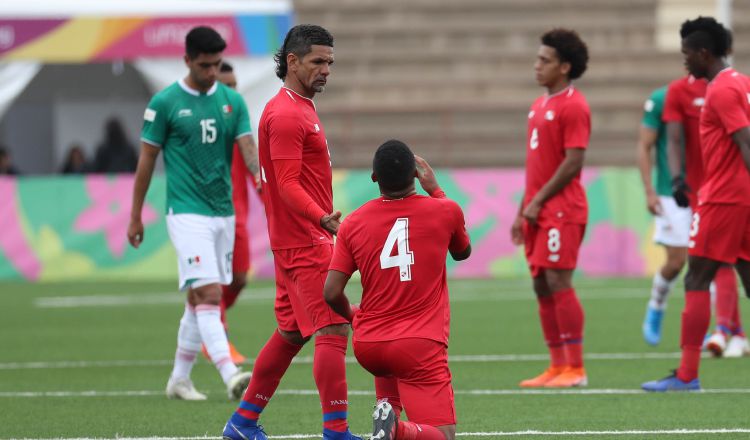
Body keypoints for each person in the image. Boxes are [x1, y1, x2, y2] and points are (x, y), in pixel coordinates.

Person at [222, 24, 360, 440]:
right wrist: (322, 218)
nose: (326, 70)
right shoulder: (285, 113)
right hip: (305, 241)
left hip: (295, 241)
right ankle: (336, 431)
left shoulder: (297, 105)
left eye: (330, 63)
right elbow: (285, 183)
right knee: (333, 328)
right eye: (318, 62)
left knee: (290, 334)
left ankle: (243, 421)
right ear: (293, 61)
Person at [127, 26, 257, 401]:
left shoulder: (232, 101)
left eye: (217, 64)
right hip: (186, 212)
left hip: (223, 213)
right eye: (205, 65)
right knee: (209, 292)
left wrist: (262, 180)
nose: (212, 72)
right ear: (187, 61)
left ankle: (179, 379)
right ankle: (231, 374)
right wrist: (135, 215)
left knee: (199, 298)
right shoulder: (165, 103)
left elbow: (248, 149)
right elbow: (146, 162)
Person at [324, 141, 472, 440]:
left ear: (374, 177)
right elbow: (462, 252)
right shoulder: (445, 210)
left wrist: (353, 316)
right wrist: (436, 190)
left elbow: (330, 292)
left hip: (371, 345)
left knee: (389, 406)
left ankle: (388, 422)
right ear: (415, 175)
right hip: (418, 344)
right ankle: (397, 430)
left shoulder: (352, 223)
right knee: (442, 434)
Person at [642, 16, 750, 392]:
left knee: (696, 277)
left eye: (687, 53)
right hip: (741, 197)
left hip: (722, 199)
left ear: (704, 53)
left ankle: (687, 375)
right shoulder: (743, 82)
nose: (684, 60)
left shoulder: (720, 90)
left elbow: (745, 142)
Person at [510, 28, 590, 388]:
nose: (536, 66)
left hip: (563, 210)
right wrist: (521, 210)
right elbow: (535, 167)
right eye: (537, 58)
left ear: (565, 66)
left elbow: (573, 162)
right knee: (541, 284)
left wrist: (539, 201)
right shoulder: (538, 106)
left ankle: (576, 368)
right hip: (537, 210)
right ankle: (556, 365)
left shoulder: (574, 104)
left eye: (545, 60)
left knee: (559, 280)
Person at [199, 61, 254, 364]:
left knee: (239, 279)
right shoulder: (203, 127)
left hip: (239, 218)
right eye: (226, 86)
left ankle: (202, 312)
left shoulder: (239, 125)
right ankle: (218, 338)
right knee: (215, 281)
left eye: (234, 86)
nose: (232, 92)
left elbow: (252, 167)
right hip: (209, 215)